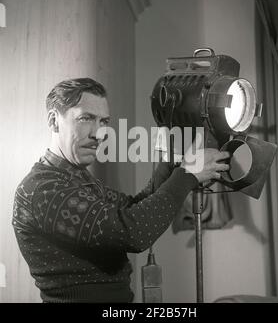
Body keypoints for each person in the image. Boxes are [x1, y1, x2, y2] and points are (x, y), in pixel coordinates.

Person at [12, 78, 230, 303]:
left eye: (104, 121)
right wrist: (188, 174)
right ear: (54, 120)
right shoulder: (41, 190)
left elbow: (131, 207)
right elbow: (132, 232)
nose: (99, 134)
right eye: (85, 118)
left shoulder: (75, 178)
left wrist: (171, 161)